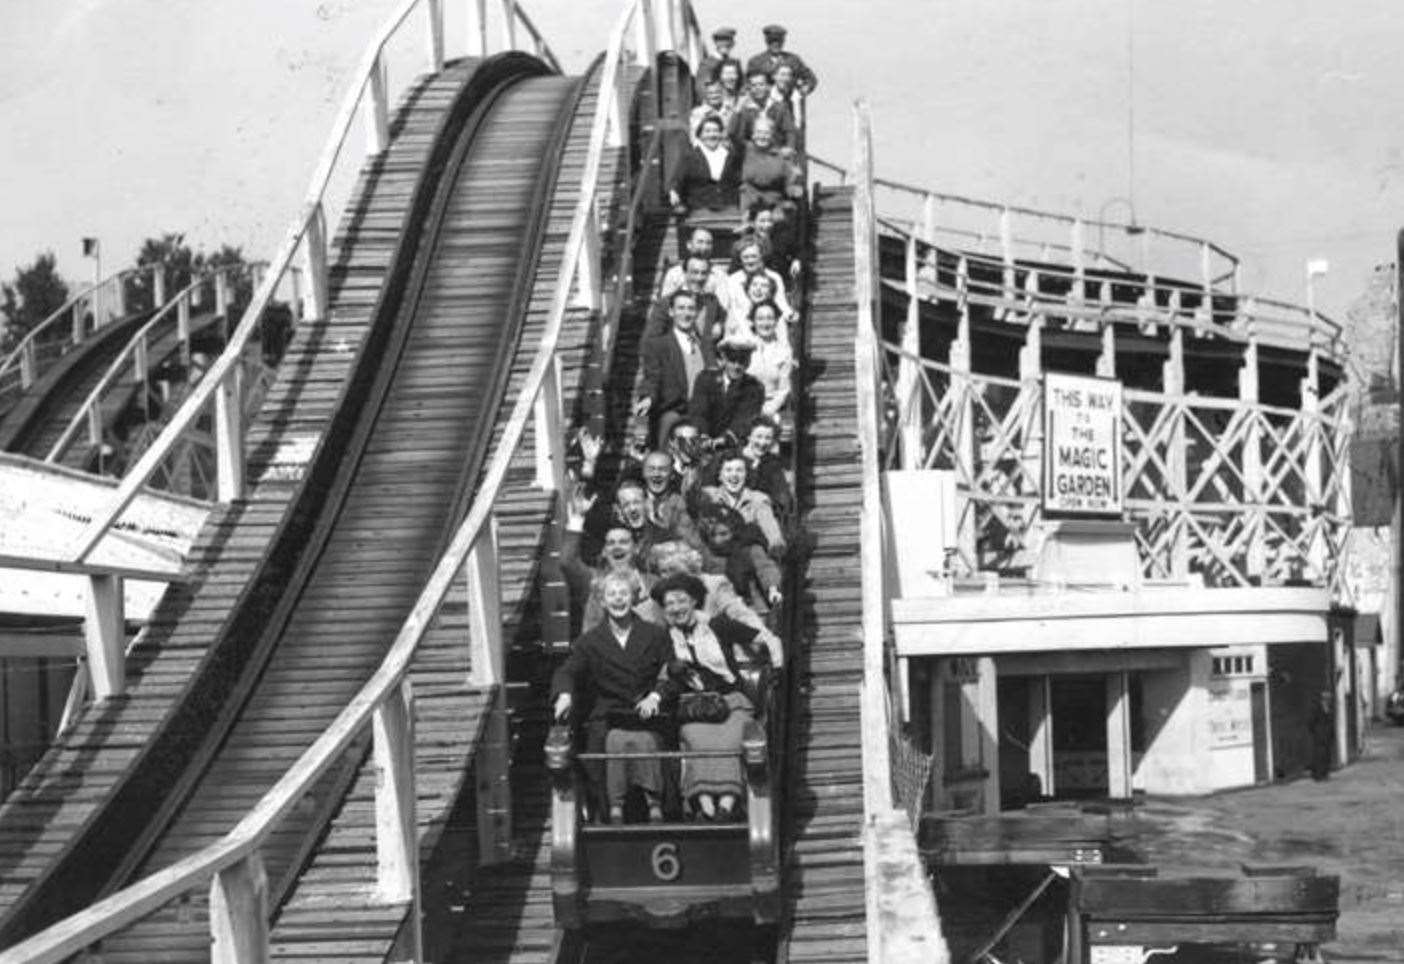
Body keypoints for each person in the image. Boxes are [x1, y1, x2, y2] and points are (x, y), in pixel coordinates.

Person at [652, 572, 778, 821]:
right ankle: (706, 807)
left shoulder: (716, 625)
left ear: (693, 602)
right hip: (695, 707)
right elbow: (661, 673)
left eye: (681, 601)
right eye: (670, 604)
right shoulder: (664, 638)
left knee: (732, 740)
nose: (677, 608)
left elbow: (758, 636)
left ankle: (727, 806)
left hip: (731, 701)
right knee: (697, 739)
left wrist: (776, 657)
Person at [552, 571, 673, 824]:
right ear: (603, 602)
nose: (618, 600)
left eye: (624, 593)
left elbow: (672, 673)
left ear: (634, 598)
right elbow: (568, 671)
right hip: (608, 713)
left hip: (648, 710)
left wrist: (656, 697)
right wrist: (564, 693)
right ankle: (607, 811)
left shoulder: (655, 634)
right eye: (612, 594)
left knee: (664, 742)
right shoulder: (590, 641)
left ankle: (661, 807)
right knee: (596, 748)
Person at [636, 289, 717, 445]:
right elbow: (652, 379)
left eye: (691, 309)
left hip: (702, 418)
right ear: (671, 312)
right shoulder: (658, 346)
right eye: (681, 308)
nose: (686, 314)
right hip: (673, 415)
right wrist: (648, 398)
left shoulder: (705, 347)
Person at [697, 502, 783, 613]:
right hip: (718, 606)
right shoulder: (707, 553)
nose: (719, 540)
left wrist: (773, 588)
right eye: (713, 535)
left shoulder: (748, 548)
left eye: (724, 534)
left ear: (734, 531)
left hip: (752, 604)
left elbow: (765, 567)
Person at [700, 450, 786, 558]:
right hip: (712, 557)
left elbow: (769, 524)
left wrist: (775, 542)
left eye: (739, 470)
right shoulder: (709, 496)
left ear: (747, 474)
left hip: (744, 559)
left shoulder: (758, 500)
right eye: (728, 470)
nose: (734, 475)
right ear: (720, 475)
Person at [688, 334, 766, 445]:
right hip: (703, 442)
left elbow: (744, 421)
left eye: (742, 361)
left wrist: (724, 440)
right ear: (724, 360)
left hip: (734, 445)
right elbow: (698, 413)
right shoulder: (705, 379)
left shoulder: (754, 388)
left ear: (748, 362)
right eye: (732, 360)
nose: (737, 366)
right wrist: (703, 437)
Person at [668, 116, 742, 215]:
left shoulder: (731, 155)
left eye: (716, 131)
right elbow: (677, 179)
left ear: (721, 134)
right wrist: (674, 192)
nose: (712, 135)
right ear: (700, 135)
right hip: (700, 209)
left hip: (728, 208)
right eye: (707, 131)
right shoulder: (690, 156)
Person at [647, 255, 727, 339]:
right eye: (694, 272)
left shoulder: (711, 300)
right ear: (685, 273)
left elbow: (724, 318)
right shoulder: (665, 303)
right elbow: (652, 339)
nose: (699, 278)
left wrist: (720, 325)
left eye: (703, 273)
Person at [738, 118, 803, 216]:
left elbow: (788, 181)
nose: (762, 136)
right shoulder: (745, 150)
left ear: (772, 136)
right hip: (750, 203)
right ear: (753, 135)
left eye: (766, 133)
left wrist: (793, 189)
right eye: (759, 132)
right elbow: (732, 134)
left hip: (774, 204)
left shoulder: (780, 155)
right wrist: (738, 109)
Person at [659, 227, 732, 307]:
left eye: (708, 243)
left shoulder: (719, 275)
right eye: (700, 242)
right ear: (689, 245)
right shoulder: (675, 274)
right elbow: (665, 304)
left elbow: (723, 305)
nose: (704, 247)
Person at [728, 69, 798, 151]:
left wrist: (789, 148)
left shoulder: (780, 107)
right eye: (754, 85)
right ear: (749, 88)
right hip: (753, 154)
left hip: (776, 153)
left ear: (768, 86)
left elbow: (790, 132)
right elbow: (739, 136)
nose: (758, 88)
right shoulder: (745, 110)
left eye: (761, 84)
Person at [746, 301, 794, 420]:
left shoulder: (784, 351)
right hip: (744, 406)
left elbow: (784, 390)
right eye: (760, 319)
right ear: (753, 321)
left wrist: (767, 411)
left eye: (770, 318)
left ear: (776, 321)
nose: (765, 323)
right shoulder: (745, 346)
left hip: (770, 409)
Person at [745, 24, 819, 95]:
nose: (775, 44)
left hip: (790, 103)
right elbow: (746, 83)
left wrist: (804, 89)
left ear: (783, 41)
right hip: (765, 104)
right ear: (766, 41)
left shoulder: (793, 60)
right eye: (772, 41)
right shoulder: (755, 62)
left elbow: (811, 79)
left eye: (779, 41)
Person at [695, 26, 741, 98]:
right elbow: (702, 90)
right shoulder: (707, 64)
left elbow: (741, 87)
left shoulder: (735, 63)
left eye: (728, 41)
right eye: (721, 41)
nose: (725, 44)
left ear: (733, 44)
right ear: (716, 43)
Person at [688, 80, 736, 146]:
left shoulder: (731, 109)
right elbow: (694, 138)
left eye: (717, 92)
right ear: (705, 95)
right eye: (710, 93)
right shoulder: (698, 113)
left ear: (723, 93)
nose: (714, 96)